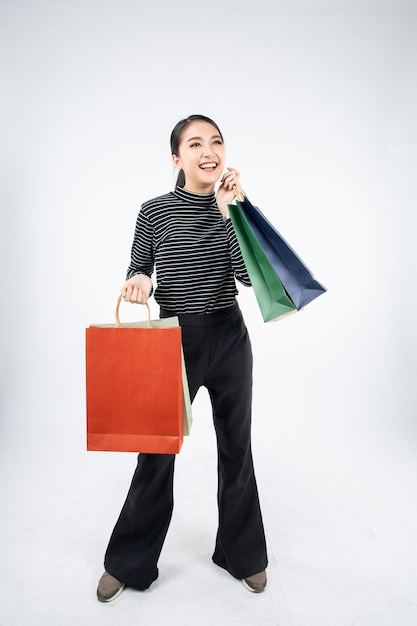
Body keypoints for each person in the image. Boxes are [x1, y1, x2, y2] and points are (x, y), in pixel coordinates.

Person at [97, 114, 268, 602]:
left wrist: (229, 210)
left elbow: (246, 277)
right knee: (156, 451)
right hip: (174, 340)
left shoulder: (234, 207)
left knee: (237, 448)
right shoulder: (155, 211)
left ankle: (242, 555)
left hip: (230, 338)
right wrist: (139, 282)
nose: (208, 150)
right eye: (195, 144)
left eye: (215, 141)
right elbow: (139, 269)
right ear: (177, 158)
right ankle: (130, 562)